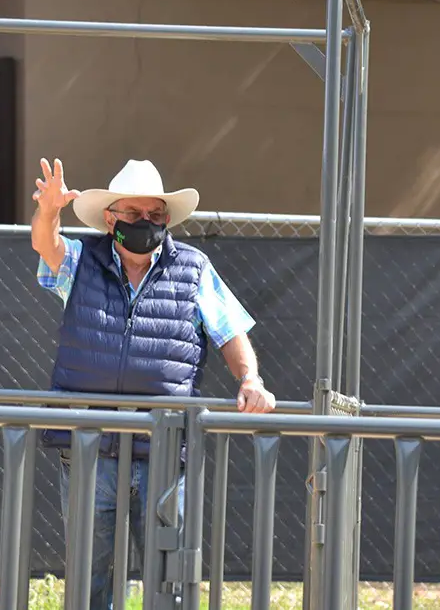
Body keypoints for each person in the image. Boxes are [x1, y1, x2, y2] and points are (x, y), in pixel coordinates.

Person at [31, 156, 275, 609]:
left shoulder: (193, 267)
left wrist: (251, 378)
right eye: (134, 214)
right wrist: (48, 211)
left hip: (163, 453)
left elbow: (229, 330)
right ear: (111, 219)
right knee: (88, 580)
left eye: (156, 215)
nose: (146, 222)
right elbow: (48, 246)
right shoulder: (83, 259)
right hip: (89, 447)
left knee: (168, 581)